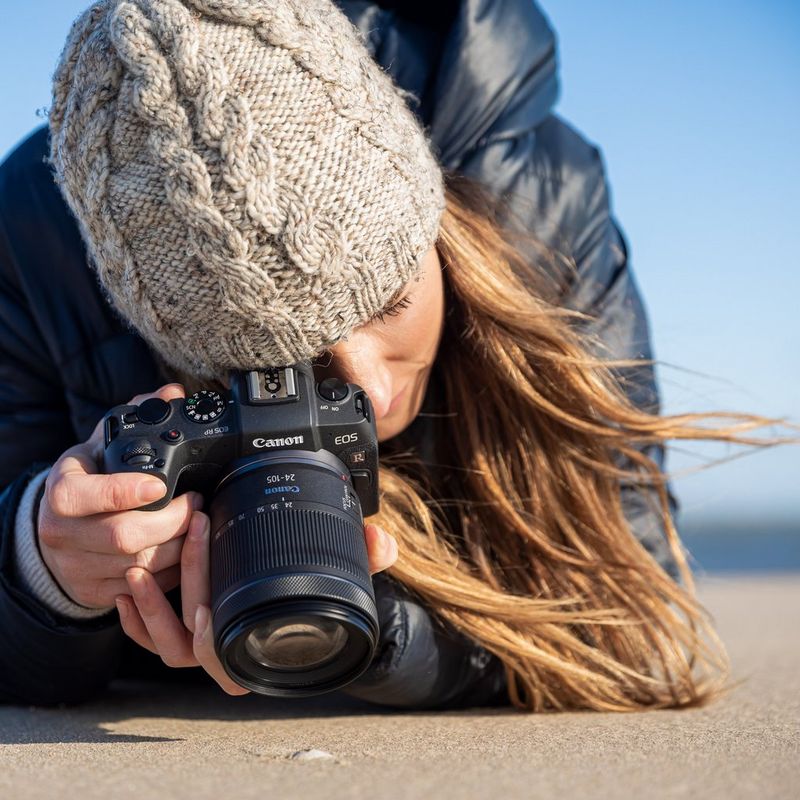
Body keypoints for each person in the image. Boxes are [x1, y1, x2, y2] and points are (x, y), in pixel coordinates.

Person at [0, 0, 792, 710]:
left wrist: (389, 638)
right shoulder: (35, 250)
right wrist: (46, 564)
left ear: (433, 232)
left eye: (388, 302)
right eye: (295, 370)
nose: (370, 392)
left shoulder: (544, 205)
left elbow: (639, 616)